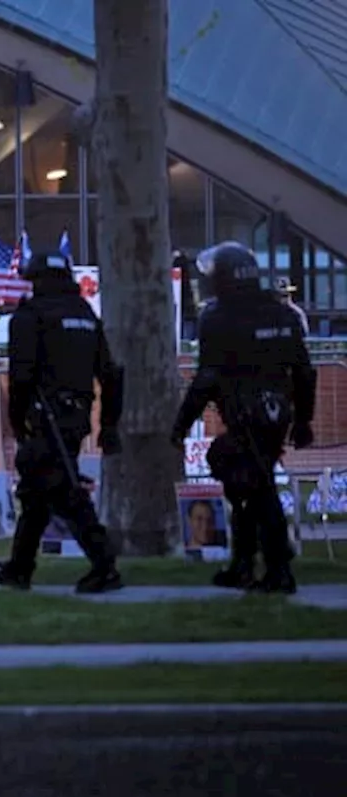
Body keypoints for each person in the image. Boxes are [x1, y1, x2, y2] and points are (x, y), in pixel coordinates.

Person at [170, 241, 316, 594]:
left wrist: (181, 425)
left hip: (246, 414)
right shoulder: (281, 313)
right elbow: (304, 372)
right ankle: (243, 564)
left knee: (252, 484)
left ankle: (277, 568)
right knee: (248, 484)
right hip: (277, 413)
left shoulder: (217, 317)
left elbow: (206, 378)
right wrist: (302, 421)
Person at [0, 250, 125, 595]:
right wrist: (109, 424)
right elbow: (112, 374)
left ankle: (104, 564)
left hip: (44, 416)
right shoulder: (85, 315)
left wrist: (16, 421)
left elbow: (21, 376)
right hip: (76, 415)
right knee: (37, 493)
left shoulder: (31, 316)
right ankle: (19, 567)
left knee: (65, 493)